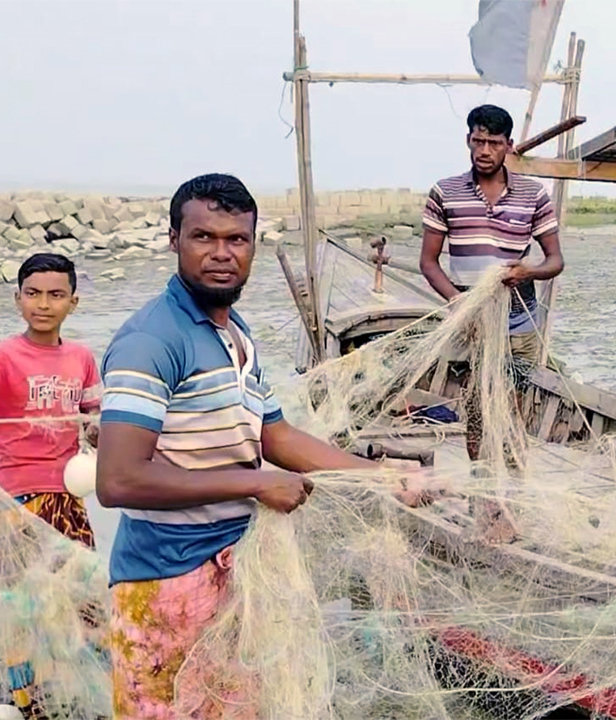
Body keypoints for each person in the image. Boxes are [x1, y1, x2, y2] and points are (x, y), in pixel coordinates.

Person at [96, 173, 442, 719]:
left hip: (238, 567)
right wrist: (257, 481)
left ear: (254, 244)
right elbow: (119, 480)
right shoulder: (150, 341)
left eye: (236, 239)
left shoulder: (236, 334)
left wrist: (379, 477)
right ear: (172, 240)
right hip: (164, 579)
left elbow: (273, 434)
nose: (221, 253)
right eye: (203, 237)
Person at [418, 104, 564, 541]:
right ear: (468, 140)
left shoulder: (533, 195)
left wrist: (528, 271)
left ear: (509, 147)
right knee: (480, 411)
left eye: (494, 143)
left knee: (515, 410)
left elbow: (555, 260)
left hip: (520, 321)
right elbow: (429, 263)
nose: (485, 150)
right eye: (478, 140)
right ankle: (484, 503)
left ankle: (512, 500)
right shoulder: (445, 193)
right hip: (473, 322)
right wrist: (458, 307)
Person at [0, 253, 101, 719]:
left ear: (73, 302)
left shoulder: (81, 358)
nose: (44, 304)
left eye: (56, 294)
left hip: (67, 502)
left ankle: (78, 697)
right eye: (33, 294)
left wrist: (105, 433)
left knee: (83, 604)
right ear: (17, 299)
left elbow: (93, 424)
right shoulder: (4, 356)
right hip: (14, 505)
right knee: (22, 612)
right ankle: (26, 704)